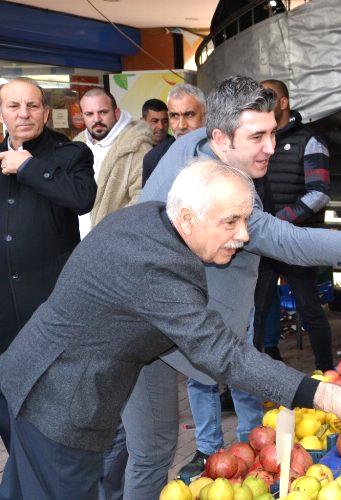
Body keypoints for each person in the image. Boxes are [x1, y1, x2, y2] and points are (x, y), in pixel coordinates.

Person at [115, 75, 341, 499]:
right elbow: (283, 239)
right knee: (146, 452)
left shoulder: (199, 144)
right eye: (258, 136)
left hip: (182, 322)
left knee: (147, 447)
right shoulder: (212, 185)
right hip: (153, 328)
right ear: (221, 136)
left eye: (273, 132)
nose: (272, 147)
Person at [0, 159, 341, 500]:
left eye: (245, 219)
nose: (244, 234)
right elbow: (224, 355)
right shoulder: (153, 266)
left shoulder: (153, 219)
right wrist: (328, 398)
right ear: (188, 218)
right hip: (60, 401)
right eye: (231, 222)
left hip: (41, 377)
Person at [0, 78, 96, 447]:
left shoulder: (69, 154)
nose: (23, 113)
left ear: (44, 110)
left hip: (49, 303)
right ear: (3, 113)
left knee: (53, 402)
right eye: (14, 106)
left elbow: (81, 198)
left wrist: (28, 168)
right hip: (3, 310)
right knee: (7, 407)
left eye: (32, 105)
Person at [252, 79, 334, 368]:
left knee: (309, 307)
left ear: (284, 103)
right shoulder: (255, 139)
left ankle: (327, 370)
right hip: (262, 238)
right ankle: (258, 371)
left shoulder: (309, 140)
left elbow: (319, 194)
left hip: (293, 238)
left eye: (269, 96)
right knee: (255, 311)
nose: (262, 100)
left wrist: (279, 222)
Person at [75, 88, 153, 237]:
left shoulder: (136, 146)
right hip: (77, 245)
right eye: (89, 114)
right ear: (82, 116)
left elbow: (143, 198)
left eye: (103, 112)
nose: (96, 119)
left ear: (116, 113)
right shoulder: (77, 145)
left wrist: (111, 233)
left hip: (114, 242)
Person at [142, 84, 207, 184]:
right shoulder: (153, 159)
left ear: (205, 115)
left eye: (189, 114)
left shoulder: (223, 152)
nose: (181, 125)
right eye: (175, 116)